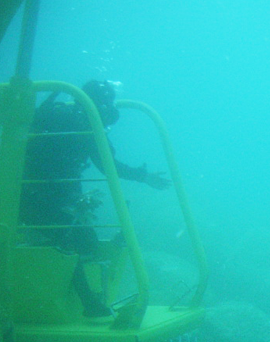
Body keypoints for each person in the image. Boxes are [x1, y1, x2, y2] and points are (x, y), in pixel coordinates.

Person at [20, 80, 170, 315]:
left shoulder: (61, 115)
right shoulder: (85, 124)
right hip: (43, 196)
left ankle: (81, 301)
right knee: (72, 240)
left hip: (31, 194)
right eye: (106, 103)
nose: (110, 110)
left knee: (81, 240)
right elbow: (108, 165)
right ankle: (88, 303)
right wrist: (144, 176)